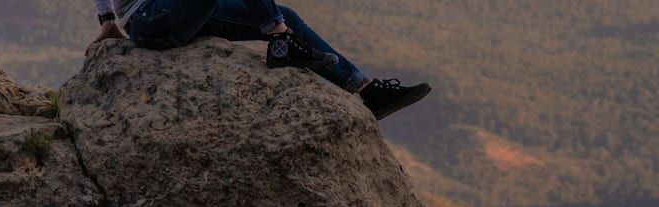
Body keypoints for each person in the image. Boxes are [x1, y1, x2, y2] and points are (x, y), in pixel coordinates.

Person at [86, 0, 431, 120]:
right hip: (153, 17)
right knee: (277, 22)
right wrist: (108, 22)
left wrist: (108, 21)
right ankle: (279, 39)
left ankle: (366, 90)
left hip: (172, 13)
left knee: (288, 15)